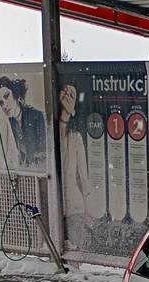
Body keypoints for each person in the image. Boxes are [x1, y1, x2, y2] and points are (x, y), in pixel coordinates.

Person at [58, 84, 90, 237]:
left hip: (73, 206)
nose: (66, 95)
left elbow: (83, 176)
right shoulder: (49, 130)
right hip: (56, 203)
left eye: (71, 94)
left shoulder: (76, 137)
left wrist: (87, 208)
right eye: (64, 91)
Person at [0, 76, 45, 167]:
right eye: (1, 102)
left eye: (6, 96)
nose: (5, 105)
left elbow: (44, 151)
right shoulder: (8, 124)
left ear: (15, 93)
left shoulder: (36, 116)